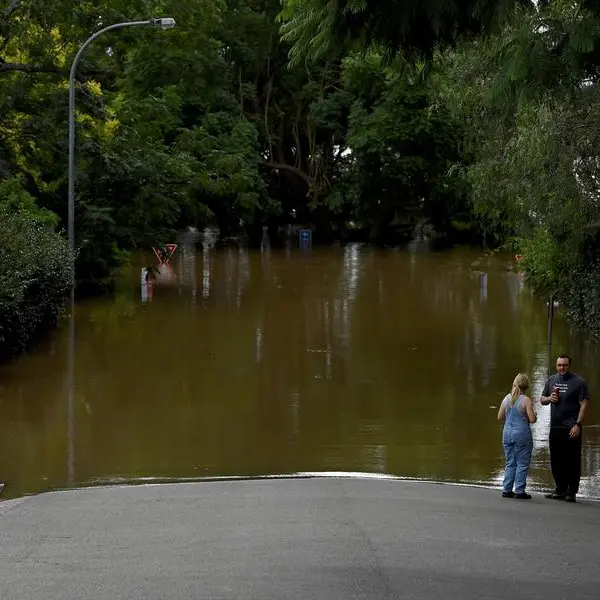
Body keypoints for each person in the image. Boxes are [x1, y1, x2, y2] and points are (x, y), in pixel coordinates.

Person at [540, 354, 590, 503]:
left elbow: (585, 403)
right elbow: (542, 399)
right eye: (560, 365)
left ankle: (571, 492)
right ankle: (560, 489)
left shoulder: (579, 382)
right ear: (556, 366)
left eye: (565, 365)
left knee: (572, 461)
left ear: (569, 366)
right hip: (555, 426)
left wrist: (578, 424)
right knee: (556, 459)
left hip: (571, 427)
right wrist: (549, 399)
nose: (562, 368)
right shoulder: (551, 380)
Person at [498, 373, 537, 499]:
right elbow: (532, 419)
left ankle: (507, 489)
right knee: (522, 463)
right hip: (521, 434)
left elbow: (500, 417)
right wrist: (534, 414)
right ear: (526, 386)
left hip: (507, 433)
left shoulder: (506, 398)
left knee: (510, 462)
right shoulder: (526, 400)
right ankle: (519, 490)